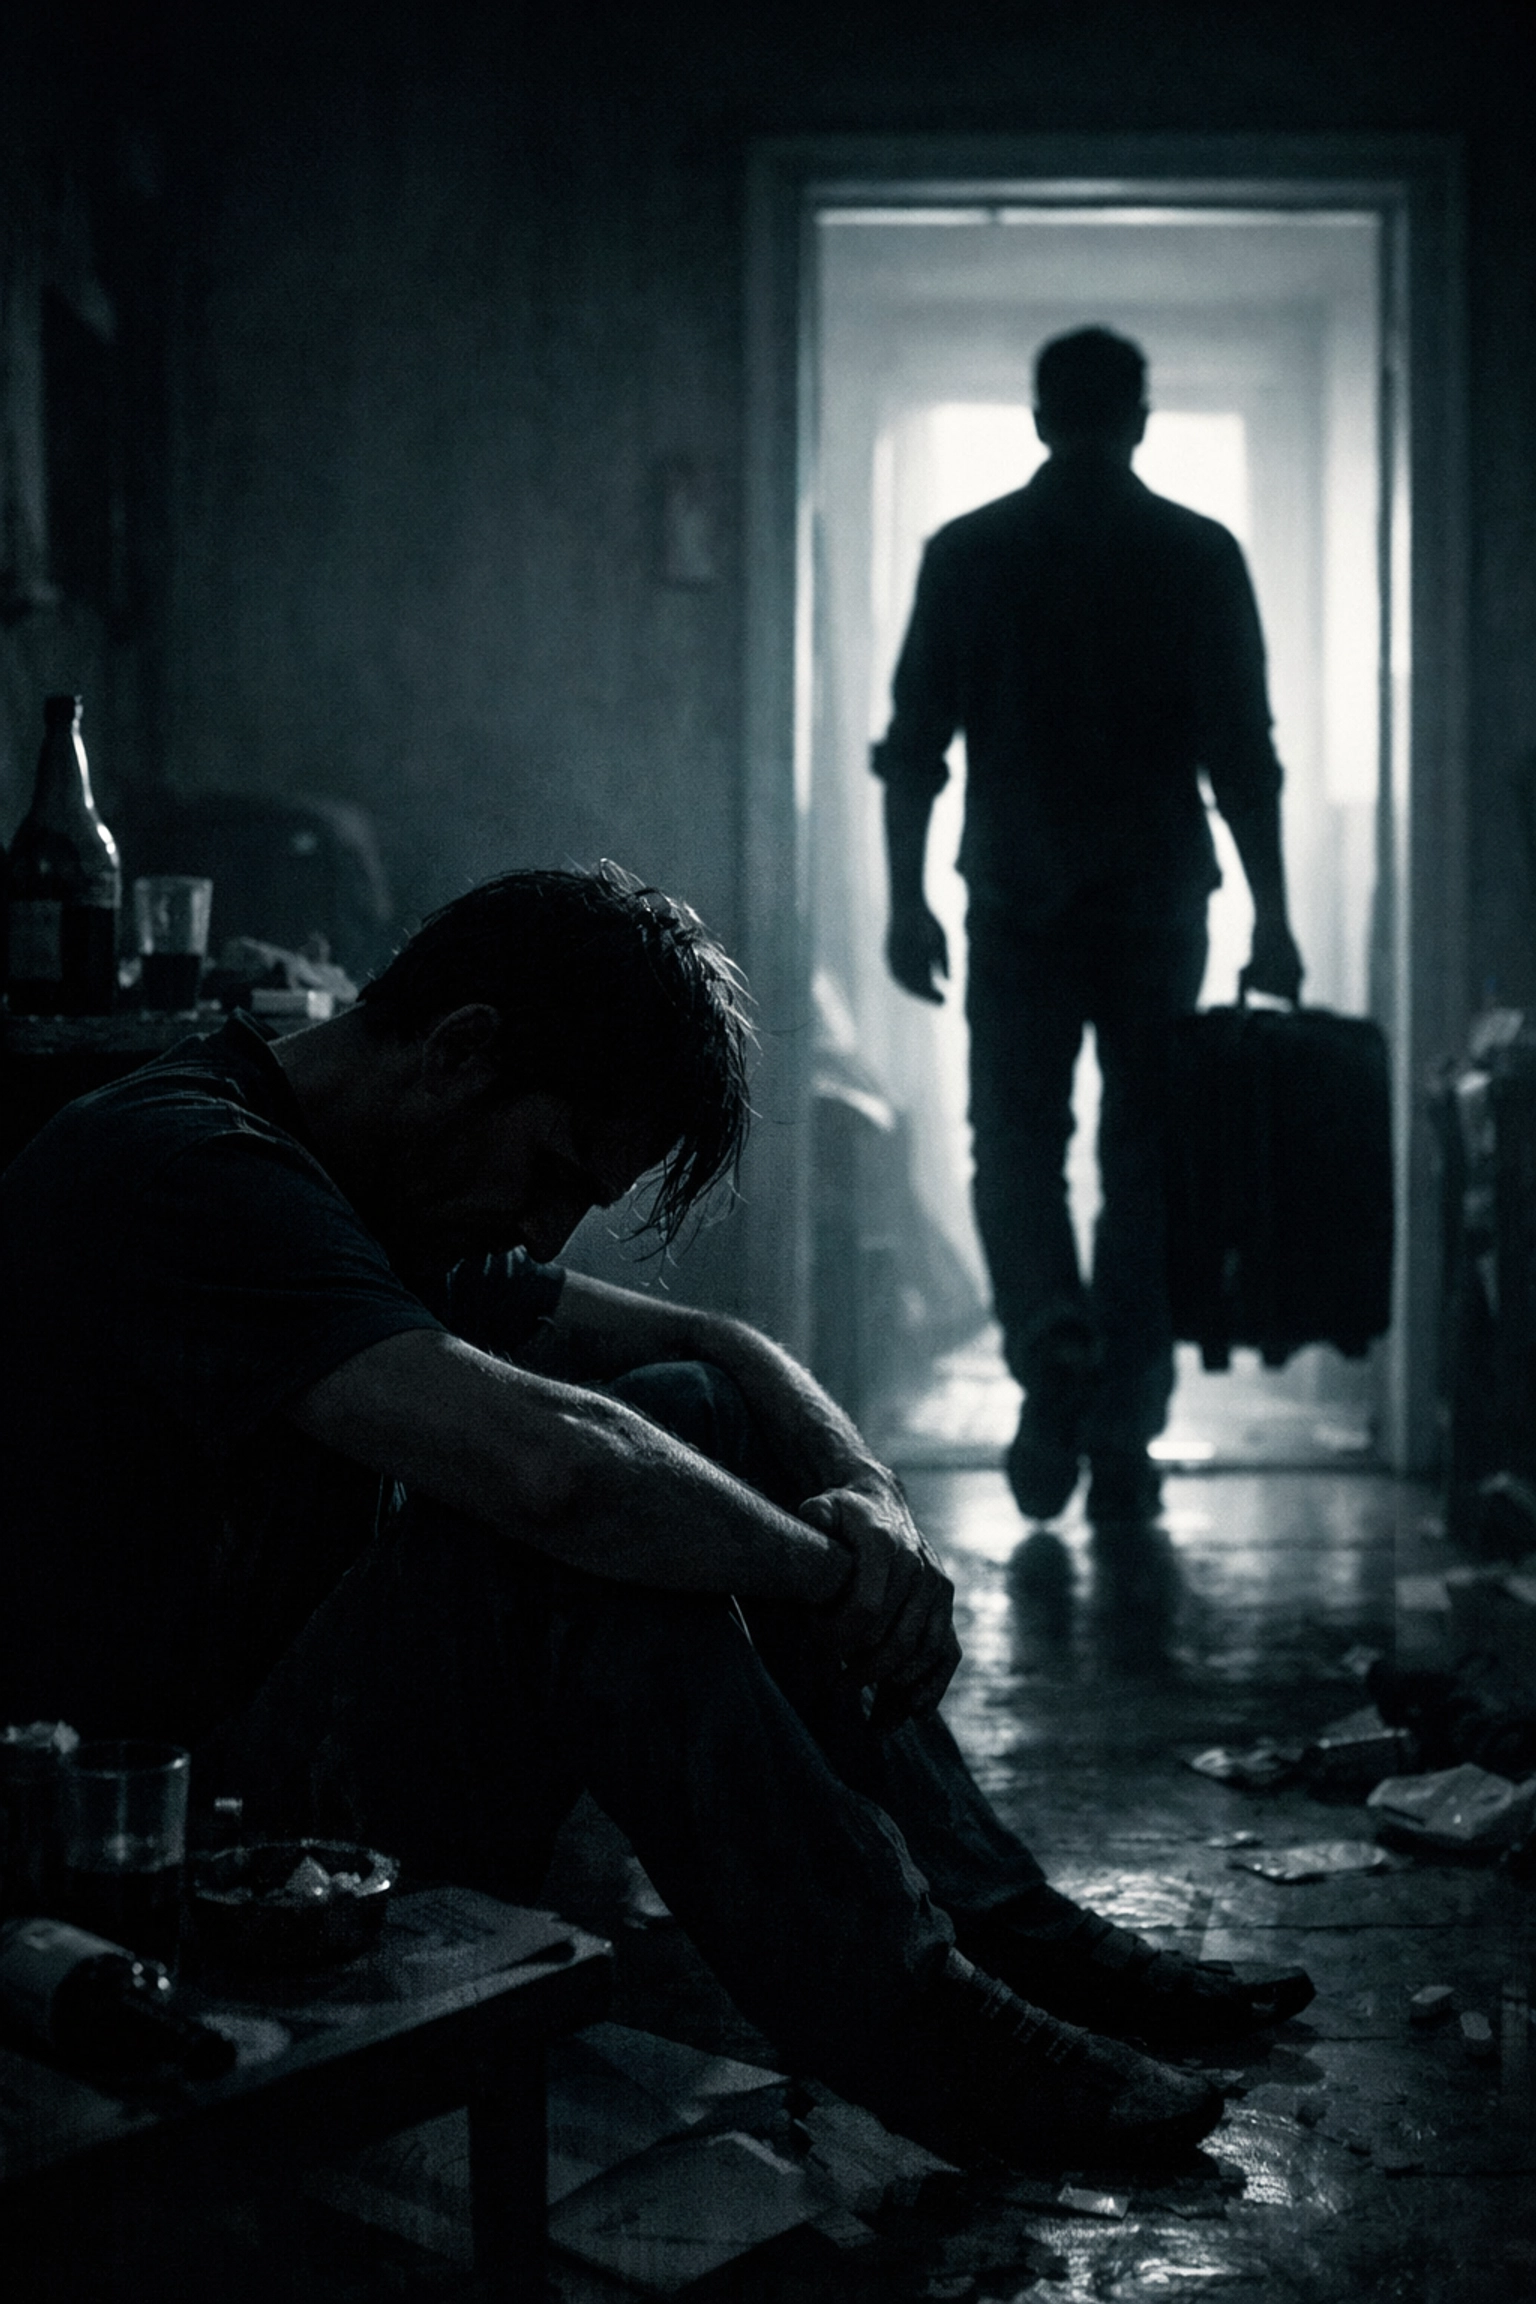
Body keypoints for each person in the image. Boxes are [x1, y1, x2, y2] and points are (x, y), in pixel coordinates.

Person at [0, 865, 1310, 2167]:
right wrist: (821, 1574)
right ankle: (919, 2023)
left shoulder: (375, 1173)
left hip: (267, 1769)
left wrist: (874, 1512)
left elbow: (715, 1346)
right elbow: (556, 1472)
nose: (546, 1227)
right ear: (463, 1052)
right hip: (134, 1842)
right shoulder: (188, 1167)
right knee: (570, 1542)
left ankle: (1002, 1921)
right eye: (552, 1173)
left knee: (691, 1409)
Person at [876, 328, 1304, 1525]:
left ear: (1039, 416)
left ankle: (1054, 1350)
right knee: (1149, 1160)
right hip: (1158, 897)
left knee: (1012, 1144)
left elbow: (915, 751)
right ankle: (1124, 1419)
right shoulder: (1196, 554)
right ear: (1141, 418)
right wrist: (1274, 918)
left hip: (1016, 899)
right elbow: (1245, 758)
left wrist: (905, 900)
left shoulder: (970, 553)